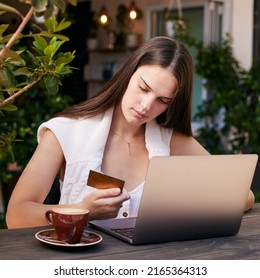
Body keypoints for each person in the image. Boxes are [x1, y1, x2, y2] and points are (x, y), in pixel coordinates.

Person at [6, 36, 254, 229]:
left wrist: (183, 203)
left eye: (163, 100)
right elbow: (16, 215)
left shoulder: (172, 142)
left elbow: (244, 196)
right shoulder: (65, 131)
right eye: (143, 88)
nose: (147, 106)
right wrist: (81, 211)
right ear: (128, 74)